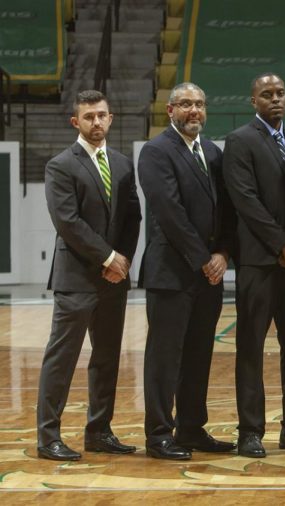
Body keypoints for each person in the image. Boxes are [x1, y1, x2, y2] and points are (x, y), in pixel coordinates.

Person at [36, 90, 142, 461]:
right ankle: (48, 436)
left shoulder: (124, 164)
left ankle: (99, 430)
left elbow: (133, 218)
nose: (96, 122)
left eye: (101, 115)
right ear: (75, 122)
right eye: (89, 117)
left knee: (107, 357)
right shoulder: (61, 165)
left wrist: (123, 260)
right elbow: (68, 222)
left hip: (115, 278)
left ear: (110, 118)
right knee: (62, 358)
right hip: (77, 277)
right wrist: (108, 257)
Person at [138, 82, 237, 460]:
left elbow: (226, 211)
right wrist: (204, 258)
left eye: (199, 103)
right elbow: (170, 213)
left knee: (198, 355)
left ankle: (192, 428)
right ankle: (159, 434)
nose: (194, 110)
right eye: (185, 104)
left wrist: (224, 252)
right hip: (171, 274)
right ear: (170, 110)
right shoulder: (155, 151)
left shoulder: (212, 152)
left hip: (208, 273)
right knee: (165, 357)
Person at [223, 73, 285, 458]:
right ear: (253, 101)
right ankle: (250, 431)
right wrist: (281, 244)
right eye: (266, 94)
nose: (275, 99)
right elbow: (246, 201)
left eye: (280, 93)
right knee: (251, 348)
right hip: (259, 263)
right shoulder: (239, 141)